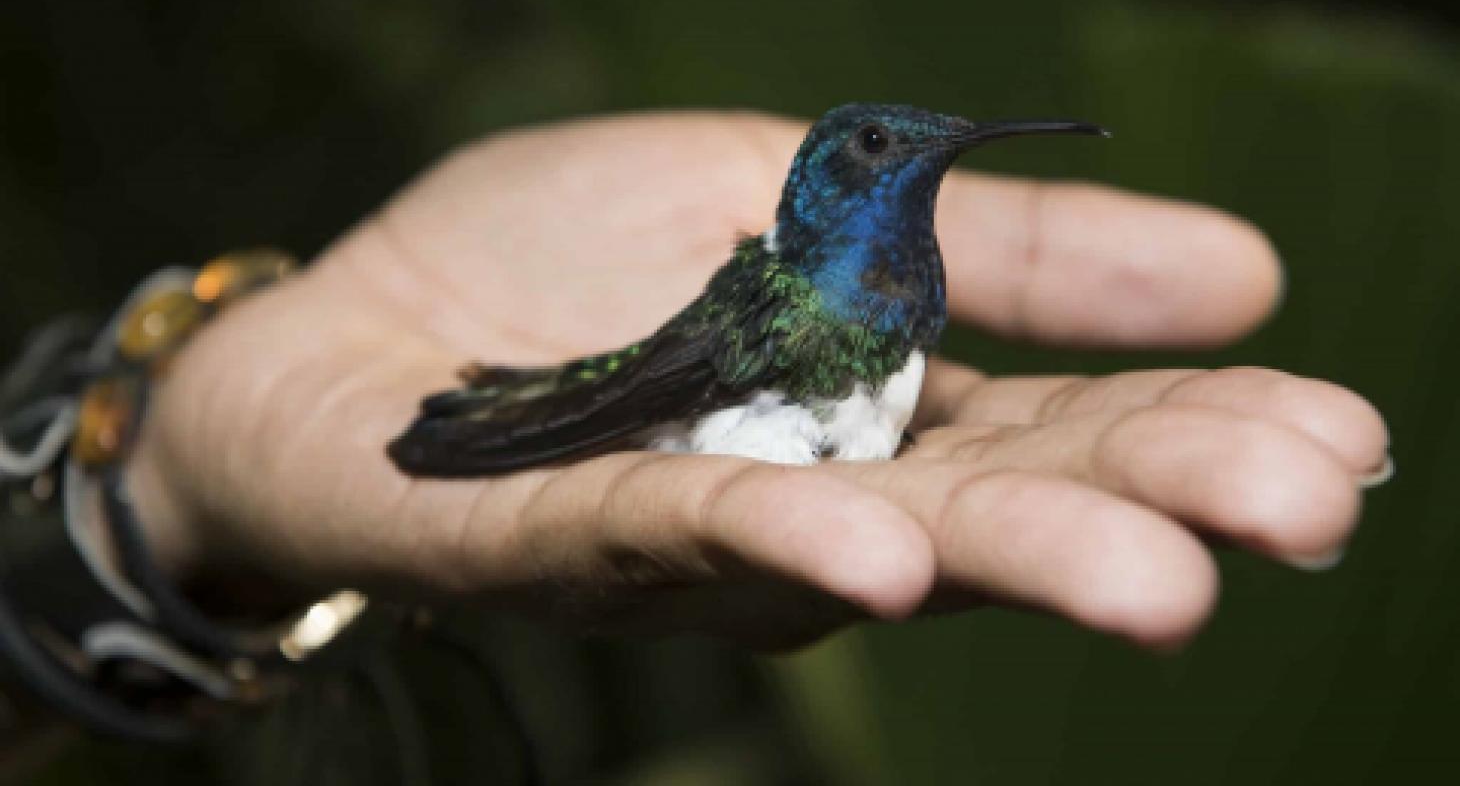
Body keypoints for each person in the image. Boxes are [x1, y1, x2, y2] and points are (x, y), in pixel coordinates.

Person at [1, 111, 1389, 745]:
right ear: (833, 180)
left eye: (913, 148)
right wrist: (188, 470)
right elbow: (649, 392)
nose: (911, 158)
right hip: (702, 399)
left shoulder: (905, 280)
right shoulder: (786, 295)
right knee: (559, 408)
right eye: (882, 149)